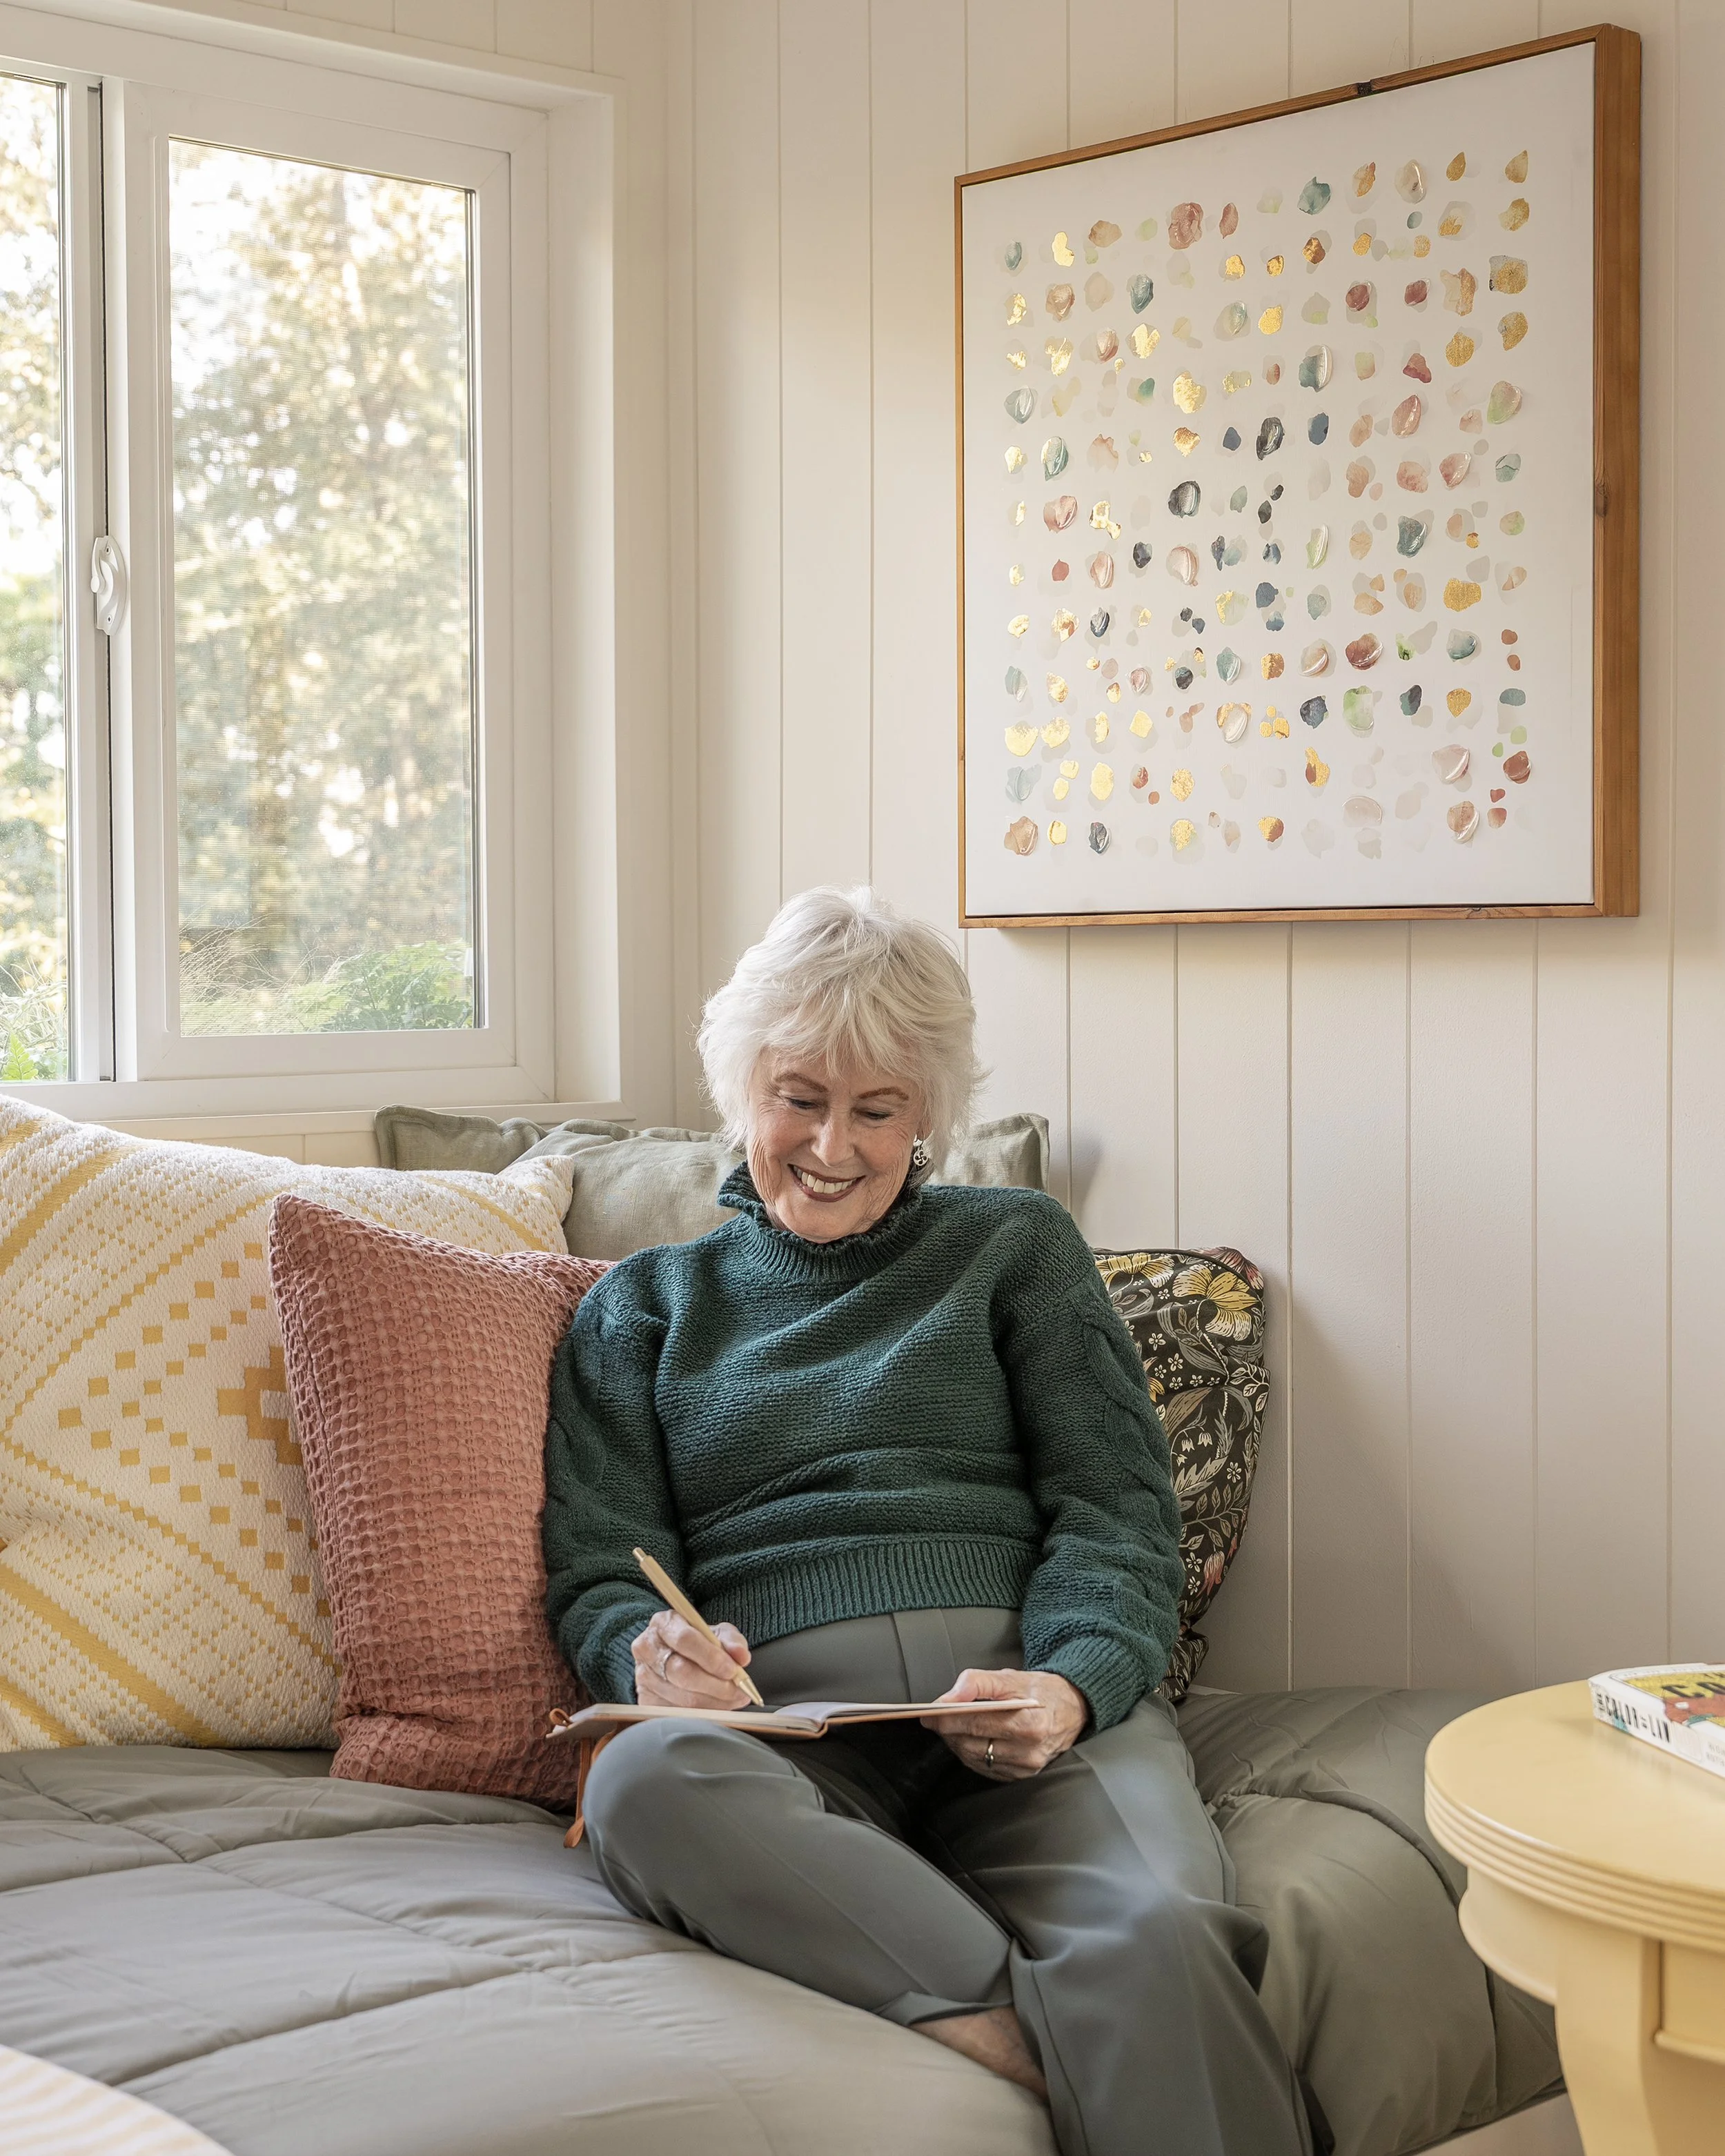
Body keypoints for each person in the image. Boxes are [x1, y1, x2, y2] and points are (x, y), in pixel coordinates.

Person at [542, 887, 1313, 2156]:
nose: (832, 1144)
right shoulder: (641, 1308)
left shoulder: (1014, 1246)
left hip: (1019, 1711)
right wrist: (647, 1654)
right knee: (640, 1780)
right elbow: (596, 1563)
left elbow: (1117, 1513)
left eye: (877, 1109)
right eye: (799, 1096)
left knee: (1163, 1928)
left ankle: (1052, 2022)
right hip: (784, 1737)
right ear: (743, 1091)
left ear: (930, 1121)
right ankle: (1052, 2040)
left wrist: (1069, 1687)